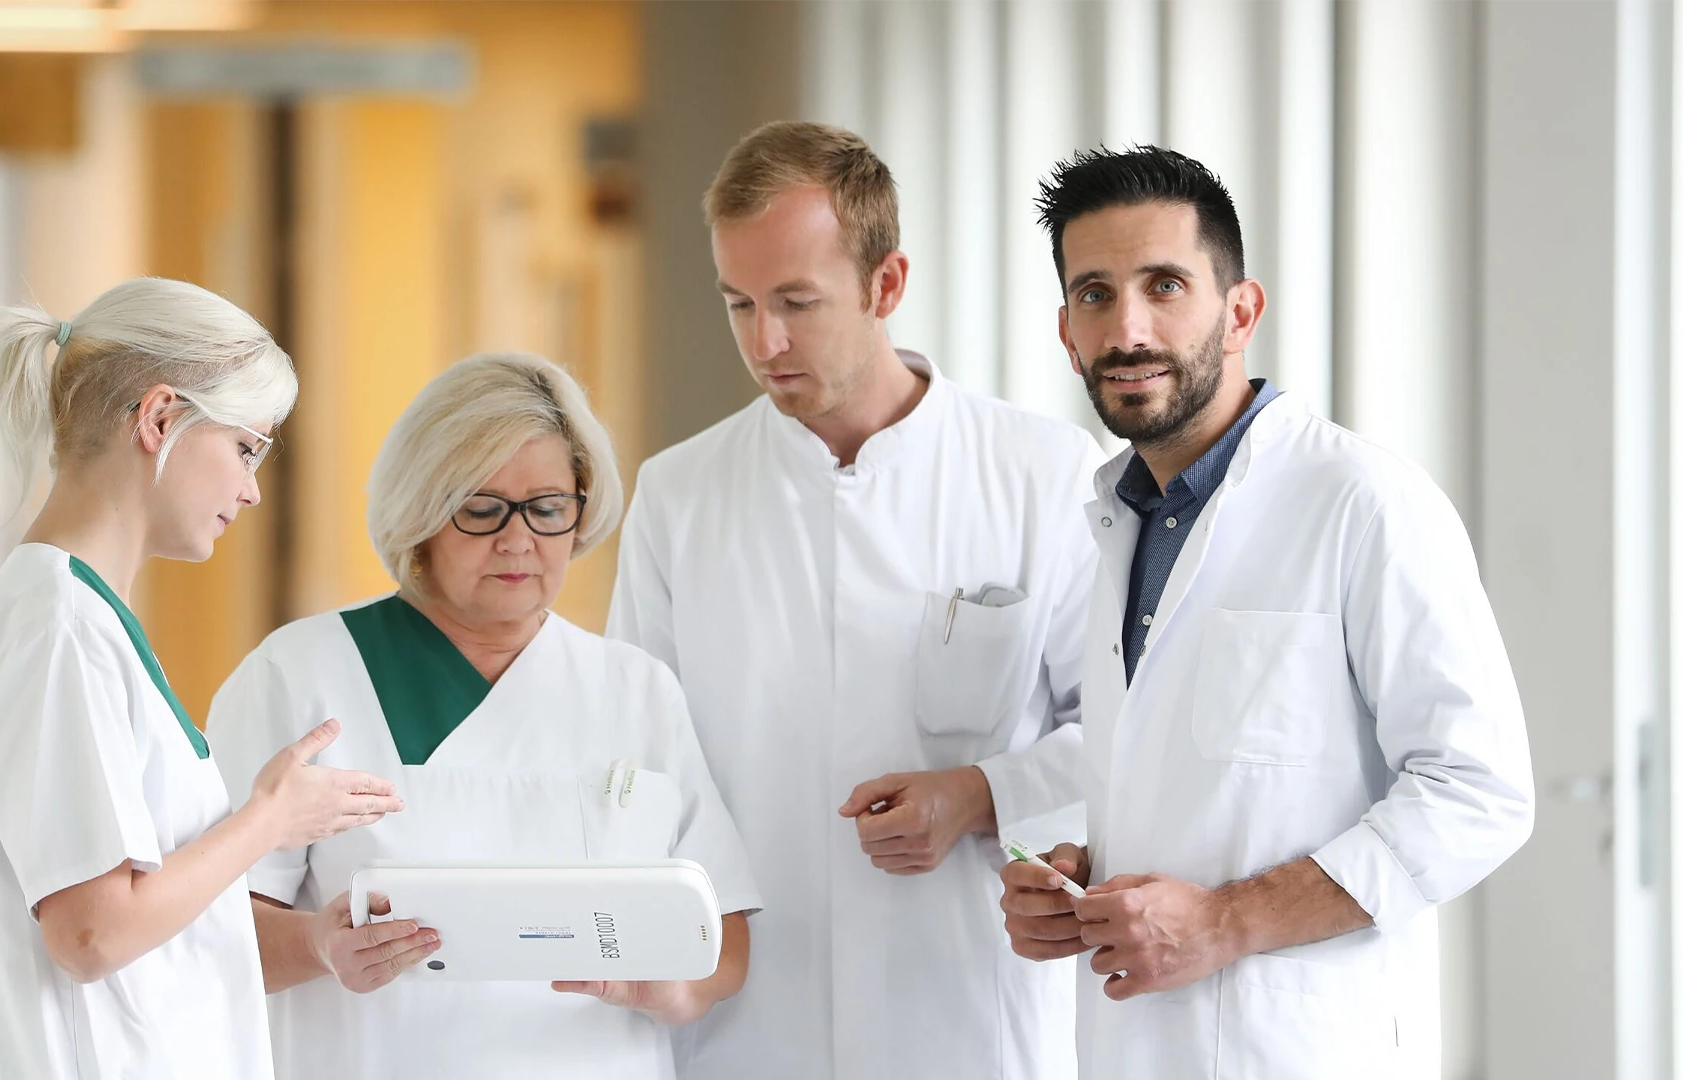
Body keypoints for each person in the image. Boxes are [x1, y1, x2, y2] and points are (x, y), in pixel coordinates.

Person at [998, 147, 1535, 1078]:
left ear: (1240, 310)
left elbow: (1480, 793)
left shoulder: (1363, 503)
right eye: (1094, 294)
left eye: (1164, 285)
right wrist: (1083, 878)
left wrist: (1223, 921)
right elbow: (1220, 788)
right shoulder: (1120, 523)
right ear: (1065, 330)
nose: (1128, 328)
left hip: (1301, 1047)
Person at [607, 121, 1101, 1078]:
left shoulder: (1042, 475)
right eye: (739, 303)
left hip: (968, 1014)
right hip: (745, 1024)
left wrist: (977, 796)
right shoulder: (680, 495)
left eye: (798, 300)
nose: (766, 341)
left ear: (887, 285)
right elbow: (639, 764)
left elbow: (1123, 731)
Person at [206, 352, 760, 1080]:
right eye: (481, 507)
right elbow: (205, 933)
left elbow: (723, 934)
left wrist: (664, 989)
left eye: (548, 508)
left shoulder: (635, 691)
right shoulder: (301, 675)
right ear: (422, 513)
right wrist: (317, 943)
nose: (518, 539)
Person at [0, 278, 403, 1080]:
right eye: (247, 449)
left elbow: (160, 921)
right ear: (161, 418)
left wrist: (315, 937)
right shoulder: (59, 626)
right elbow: (93, 933)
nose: (250, 489)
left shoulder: (76, 617)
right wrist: (268, 821)